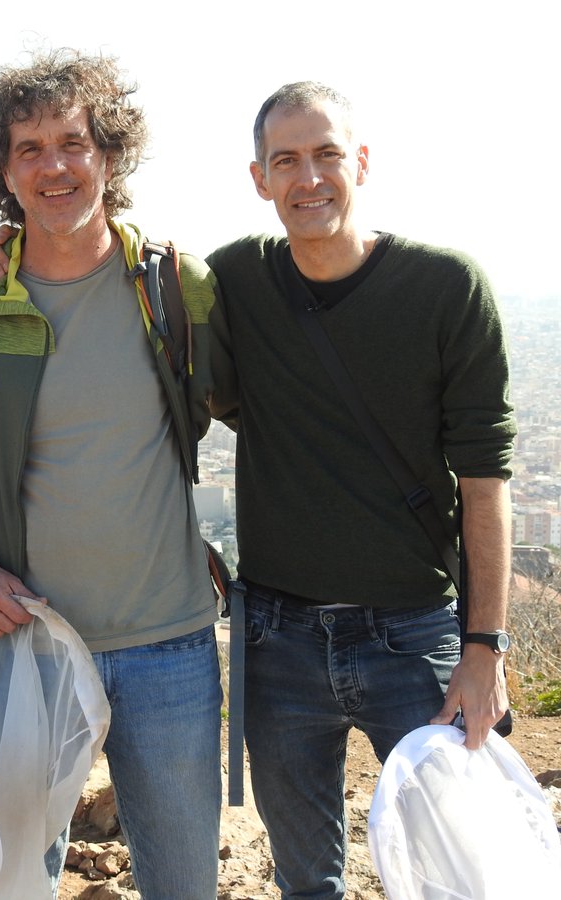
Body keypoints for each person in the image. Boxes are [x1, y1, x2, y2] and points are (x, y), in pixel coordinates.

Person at [0, 51, 226, 899]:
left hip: (168, 639)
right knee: (7, 880)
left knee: (183, 878)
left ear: (109, 156)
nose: (53, 165)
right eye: (28, 148)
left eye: (72, 142)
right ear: (2, 171)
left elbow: (257, 404)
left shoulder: (170, 285)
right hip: (23, 643)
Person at [204, 82, 515, 899]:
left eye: (326, 154)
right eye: (286, 161)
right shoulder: (237, 278)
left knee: (458, 867)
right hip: (277, 639)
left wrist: (484, 648)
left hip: (414, 636)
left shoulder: (446, 288)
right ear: (259, 179)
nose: (309, 178)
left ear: (362, 163)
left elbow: (486, 483)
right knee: (307, 879)